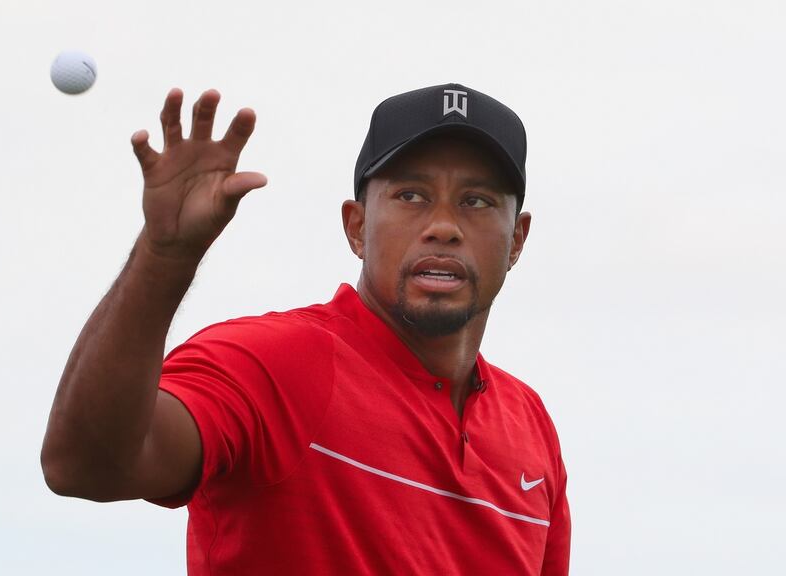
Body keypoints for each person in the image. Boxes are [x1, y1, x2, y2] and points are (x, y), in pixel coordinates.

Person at [41, 83, 571, 575]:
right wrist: (164, 256)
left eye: (476, 201)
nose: (444, 226)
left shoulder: (530, 426)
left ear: (518, 240)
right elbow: (83, 465)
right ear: (357, 227)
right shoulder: (273, 362)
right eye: (411, 195)